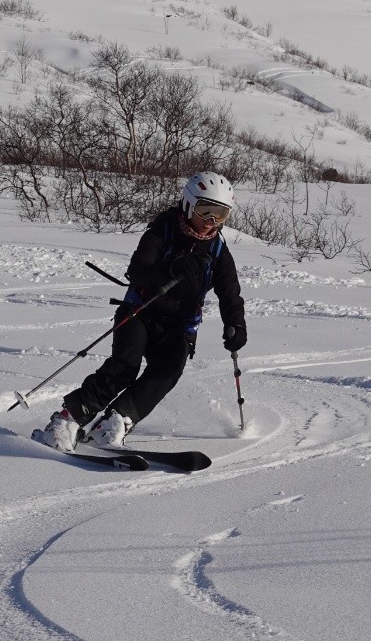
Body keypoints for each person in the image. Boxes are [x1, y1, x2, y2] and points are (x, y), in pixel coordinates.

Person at [40, 171, 248, 451]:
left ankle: (114, 423)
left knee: (167, 372)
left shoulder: (218, 251)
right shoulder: (162, 232)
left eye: (220, 214)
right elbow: (137, 271)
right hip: (140, 313)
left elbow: (230, 294)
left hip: (180, 326)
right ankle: (67, 420)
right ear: (188, 205)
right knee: (124, 367)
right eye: (205, 210)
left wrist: (236, 324)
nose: (211, 220)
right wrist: (172, 269)